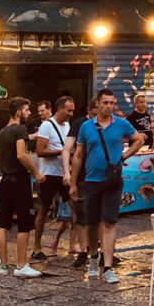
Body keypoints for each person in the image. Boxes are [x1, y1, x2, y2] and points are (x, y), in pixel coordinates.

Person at [70, 88, 144, 284]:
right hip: (91, 181)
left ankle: (108, 266)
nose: (109, 106)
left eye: (112, 103)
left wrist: (125, 155)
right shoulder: (86, 127)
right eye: (106, 103)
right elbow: (78, 155)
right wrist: (72, 182)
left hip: (112, 180)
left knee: (109, 222)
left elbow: (139, 138)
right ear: (98, 104)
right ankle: (94, 256)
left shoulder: (121, 124)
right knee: (92, 223)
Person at [0, 97, 46, 278]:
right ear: (18, 112)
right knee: (24, 224)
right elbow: (21, 155)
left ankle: (2, 264)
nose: (29, 113)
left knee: (3, 223)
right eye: (26, 110)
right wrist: (35, 172)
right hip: (19, 181)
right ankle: (21, 264)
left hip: (4, 181)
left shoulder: (0, 133)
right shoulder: (20, 129)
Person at [31, 95, 75, 260]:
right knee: (44, 208)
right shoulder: (46, 126)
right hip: (49, 173)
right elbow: (40, 151)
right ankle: (36, 247)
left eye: (72, 110)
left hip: (64, 173)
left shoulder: (68, 126)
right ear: (60, 109)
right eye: (68, 110)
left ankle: (77, 246)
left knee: (75, 206)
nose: (71, 114)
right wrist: (62, 151)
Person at [63, 98, 96, 269]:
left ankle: (102, 251)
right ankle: (83, 251)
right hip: (83, 176)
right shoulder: (80, 124)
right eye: (95, 112)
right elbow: (68, 149)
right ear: (89, 110)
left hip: (101, 175)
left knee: (102, 216)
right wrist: (68, 174)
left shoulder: (110, 123)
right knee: (82, 215)